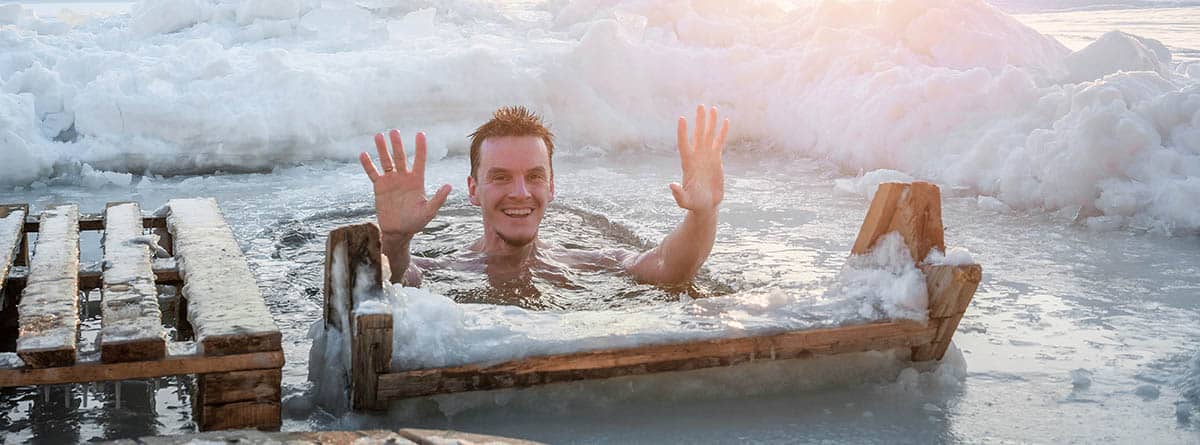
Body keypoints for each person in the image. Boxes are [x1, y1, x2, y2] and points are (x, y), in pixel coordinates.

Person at [358, 105, 729, 294]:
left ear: (551, 187)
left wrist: (704, 213)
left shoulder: (587, 264)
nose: (520, 192)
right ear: (473, 190)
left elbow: (669, 267)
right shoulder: (446, 271)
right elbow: (394, 280)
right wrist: (396, 238)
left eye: (534, 176)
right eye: (500, 177)